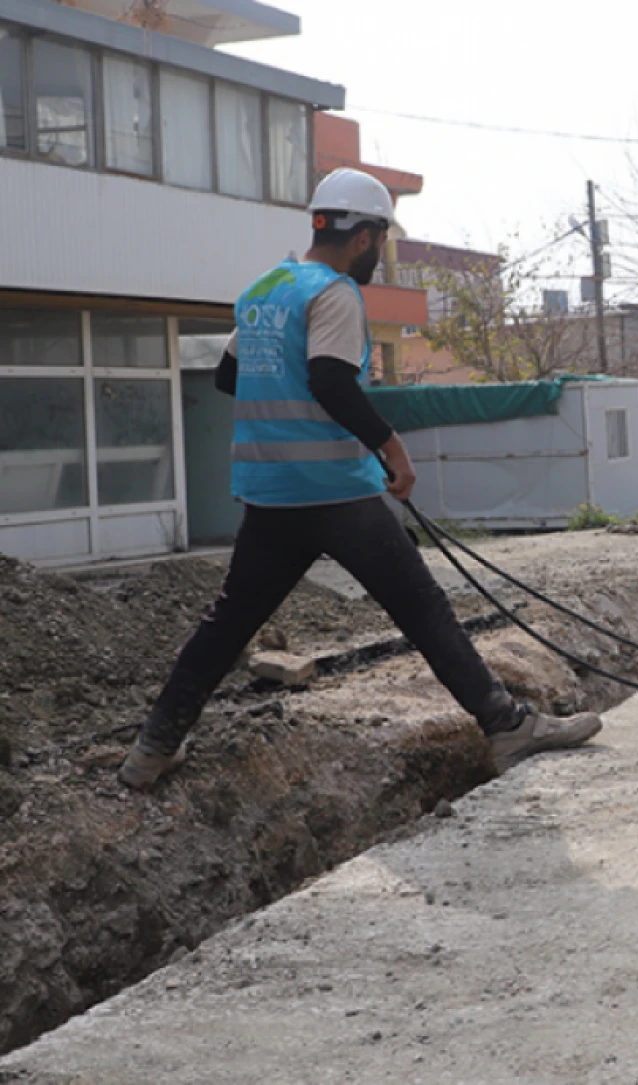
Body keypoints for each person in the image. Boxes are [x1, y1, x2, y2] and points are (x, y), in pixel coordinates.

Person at [118, 168, 600, 791]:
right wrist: (392, 448)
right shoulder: (336, 294)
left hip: (271, 496)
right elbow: (329, 380)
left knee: (228, 624)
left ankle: (153, 748)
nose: (380, 255)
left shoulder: (267, 290)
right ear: (365, 236)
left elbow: (229, 379)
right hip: (337, 493)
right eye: (382, 241)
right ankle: (505, 724)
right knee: (424, 610)